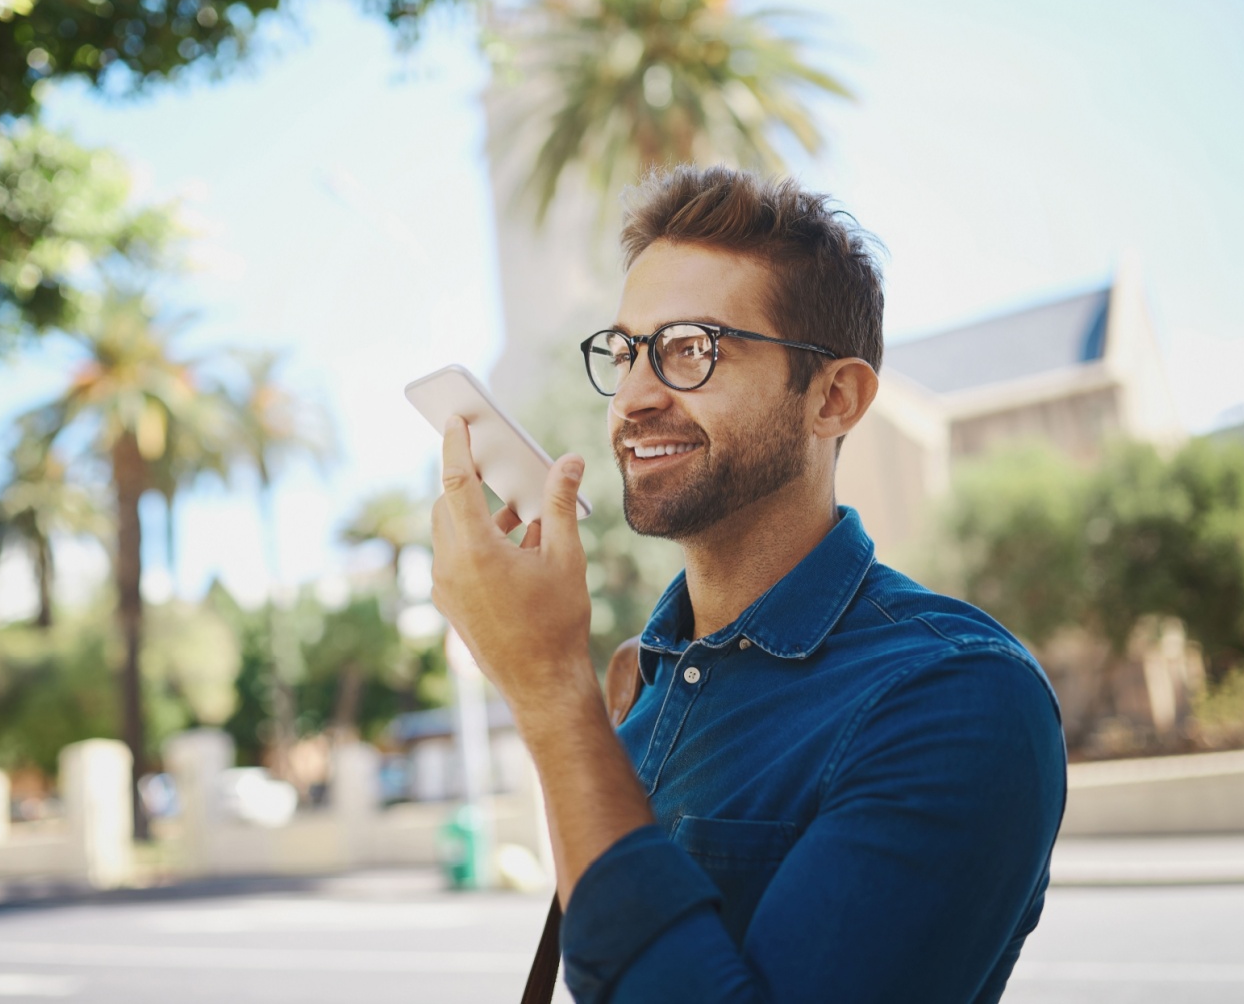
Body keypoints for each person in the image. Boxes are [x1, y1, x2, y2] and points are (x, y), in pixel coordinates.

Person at [430, 165, 1066, 1003]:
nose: (633, 398)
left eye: (691, 349)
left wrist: (549, 689)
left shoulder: (959, 693)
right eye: (624, 353)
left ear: (834, 398)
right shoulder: (635, 683)